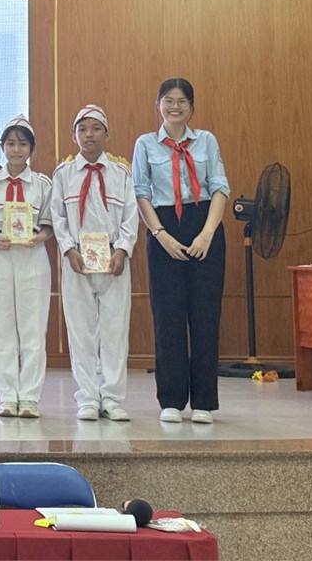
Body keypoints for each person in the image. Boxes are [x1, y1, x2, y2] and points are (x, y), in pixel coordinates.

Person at [132, 79, 229, 424]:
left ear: (191, 106)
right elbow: (140, 192)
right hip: (163, 229)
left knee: (205, 316)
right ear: (158, 104)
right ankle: (171, 400)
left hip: (205, 226)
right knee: (168, 317)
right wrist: (160, 234)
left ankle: (204, 401)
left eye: (182, 101)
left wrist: (207, 234)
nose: (175, 107)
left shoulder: (206, 141)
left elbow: (220, 188)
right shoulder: (145, 144)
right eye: (168, 100)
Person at [51, 105, 138, 422]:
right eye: (83, 129)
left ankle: (112, 397)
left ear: (107, 134)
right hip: (77, 261)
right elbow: (57, 216)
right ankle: (87, 397)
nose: (89, 135)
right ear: (74, 135)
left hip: (114, 261)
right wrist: (67, 249)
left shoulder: (121, 174)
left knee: (115, 330)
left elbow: (131, 216)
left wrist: (123, 250)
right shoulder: (63, 175)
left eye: (96, 128)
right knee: (81, 331)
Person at [0, 115, 54, 419]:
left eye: (22, 144)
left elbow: (49, 226)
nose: (16, 150)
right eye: (11, 144)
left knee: (33, 329)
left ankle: (30, 397)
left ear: (32, 148)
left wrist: (39, 238)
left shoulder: (43, 184)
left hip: (32, 256)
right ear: (2, 147)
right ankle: (7, 395)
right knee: (1, 328)